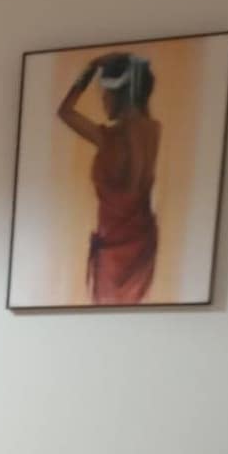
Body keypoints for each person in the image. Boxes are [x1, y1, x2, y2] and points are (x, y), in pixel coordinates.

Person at [57, 51, 160, 305]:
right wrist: (91, 69)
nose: (103, 100)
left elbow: (66, 111)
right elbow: (64, 112)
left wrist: (92, 69)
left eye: (105, 93)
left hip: (120, 245)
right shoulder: (141, 132)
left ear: (120, 95)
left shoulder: (124, 136)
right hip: (129, 242)